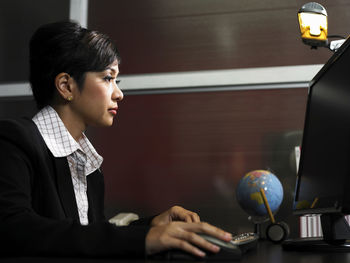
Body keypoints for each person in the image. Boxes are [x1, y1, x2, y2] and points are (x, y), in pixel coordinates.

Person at [0, 21, 232, 257]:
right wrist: (143, 239)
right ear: (66, 86)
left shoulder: (87, 164)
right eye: (108, 78)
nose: (119, 94)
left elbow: (89, 237)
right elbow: (14, 229)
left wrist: (150, 227)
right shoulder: (13, 141)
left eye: (116, 81)